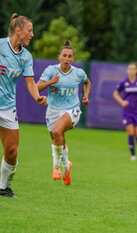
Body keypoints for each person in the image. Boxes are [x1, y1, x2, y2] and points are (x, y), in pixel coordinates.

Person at [0, 13, 47, 198]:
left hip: (7, 107)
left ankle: (3, 187)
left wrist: (37, 97)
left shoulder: (26, 57)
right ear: (18, 30)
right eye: (29, 31)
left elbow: (30, 83)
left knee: (11, 151)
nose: (32, 35)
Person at [36, 40, 91, 185]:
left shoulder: (78, 73)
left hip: (72, 109)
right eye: (64, 56)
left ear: (73, 58)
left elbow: (87, 82)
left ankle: (56, 167)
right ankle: (66, 166)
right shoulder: (50, 70)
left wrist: (86, 96)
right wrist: (51, 82)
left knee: (56, 131)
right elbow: (37, 87)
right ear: (59, 56)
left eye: (70, 56)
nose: (67, 59)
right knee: (57, 138)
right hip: (53, 110)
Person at [113, 62, 137, 161]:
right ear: (127, 70)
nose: (132, 71)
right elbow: (115, 94)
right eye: (130, 69)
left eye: (133, 69)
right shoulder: (123, 82)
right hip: (127, 111)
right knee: (130, 132)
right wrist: (122, 102)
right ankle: (133, 155)